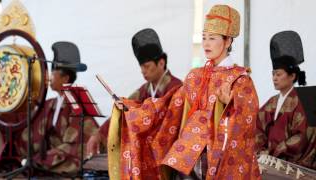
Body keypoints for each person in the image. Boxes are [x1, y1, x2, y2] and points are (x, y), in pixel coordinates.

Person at [108, 5, 261, 180]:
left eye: (212, 38)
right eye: (204, 38)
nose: (206, 43)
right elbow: (170, 103)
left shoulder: (240, 79)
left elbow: (247, 120)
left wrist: (230, 106)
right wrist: (131, 109)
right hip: (186, 155)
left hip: (217, 155)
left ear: (228, 42)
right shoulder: (195, 76)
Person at [0, 42, 99, 174]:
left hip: (66, 163)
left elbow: (76, 145)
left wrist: (37, 161)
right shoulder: (50, 103)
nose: (49, 78)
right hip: (46, 161)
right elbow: (28, 120)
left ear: (65, 78)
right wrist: (2, 114)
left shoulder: (77, 104)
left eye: (53, 73)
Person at [86, 28, 182, 156]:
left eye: (147, 66)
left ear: (161, 63)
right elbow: (124, 109)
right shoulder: (145, 89)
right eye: (141, 67)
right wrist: (99, 134)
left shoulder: (176, 87)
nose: (143, 71)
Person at [256, 31, 310, 166]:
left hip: (293, 164)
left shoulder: (302, 100)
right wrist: (262, 150)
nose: (274, 78)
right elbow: (258, 127)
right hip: (268, 161)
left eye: (279, 74)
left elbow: (302, 136)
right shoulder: (272, 102)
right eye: (273, 74)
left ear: (292, 76)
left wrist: (274, 151)